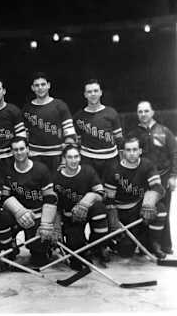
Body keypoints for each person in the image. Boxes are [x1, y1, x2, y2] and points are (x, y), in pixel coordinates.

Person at [104, 137, 167, 258]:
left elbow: (158, 188)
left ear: (140, 151)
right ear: (123, 152)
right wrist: (113, 218)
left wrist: (149, 203)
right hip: (121, 212)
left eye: (134, 149)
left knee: (161, 208)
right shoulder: (113, 169)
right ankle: (118, 242)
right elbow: (109, 199)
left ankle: (154, 243)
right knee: (126, 252)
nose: (132, 153)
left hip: (139, 207)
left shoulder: (147, 165)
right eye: (128, 150)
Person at [1, 137, 58, 267]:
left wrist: (46, 223)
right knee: (1, 218)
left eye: (22, 149)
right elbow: (4, 197)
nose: (19, 152)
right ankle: (10, 248)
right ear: (11, 152)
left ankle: (43, 250)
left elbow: (50, 197)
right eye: (15, 150)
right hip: (17, 214)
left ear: (28, 149)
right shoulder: (7, 170)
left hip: (37, 215)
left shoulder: (41, 169)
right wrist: (19, 211)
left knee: (39, 259)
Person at [128, 101, 177, 254]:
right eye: (140, 111)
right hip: (143, 179)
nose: (143, 114)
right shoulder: (134, 134)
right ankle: (146, 246)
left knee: (164, 210)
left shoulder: (164, 131)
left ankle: (165, 244)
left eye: (146, 111)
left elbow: (174, 154)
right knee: (146, 210)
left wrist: (174, 176)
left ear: (152, 112)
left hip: (163, 177)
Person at [53, 144, 109, 269]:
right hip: (70, 217)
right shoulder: (56, 178)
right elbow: (54, 205)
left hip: (88, 211)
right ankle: (81, 251)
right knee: (76, 254)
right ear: (64, 159)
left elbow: (101, 194)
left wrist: (86, 201)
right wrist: (56, 226)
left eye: (76, 156)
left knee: (99, 208)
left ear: (80, 157)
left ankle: (97, 246)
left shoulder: (88, 170)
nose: (73, 160)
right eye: (70, 157)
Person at [22, 72, 76, 172]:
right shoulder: (27, 108)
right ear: (32, 88)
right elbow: (23, 136)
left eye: (43, 84)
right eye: (37, 85)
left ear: (48, 85)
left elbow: (70, 135)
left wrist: (65, 160)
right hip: (35, 156)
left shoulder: (60, 105)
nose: (40, 88)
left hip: (56, 156)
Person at [73, 79, 123, 178]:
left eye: (95, 91)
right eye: (89, 92)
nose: (93, 94)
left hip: (111, 159)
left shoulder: (111, 113)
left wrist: (122, 161)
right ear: (85, 95)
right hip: (87, 159)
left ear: (100, 93)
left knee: (111, 191)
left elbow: (119, 140)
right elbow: (77, 141)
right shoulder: (78, 116)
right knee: (90, 191)